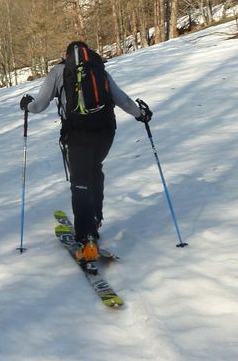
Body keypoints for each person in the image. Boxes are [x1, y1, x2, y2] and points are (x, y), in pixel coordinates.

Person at [20, 41, 151, 268]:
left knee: (80, 180)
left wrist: (27, 105)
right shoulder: (99, 71)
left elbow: (40, 105)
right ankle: (95, 219)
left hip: (77, 134)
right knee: (94, 169)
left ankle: (86, 239)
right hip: (106, 132)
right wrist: (141, 115)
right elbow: (124, 100)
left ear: (66, 55)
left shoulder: (58, 72)